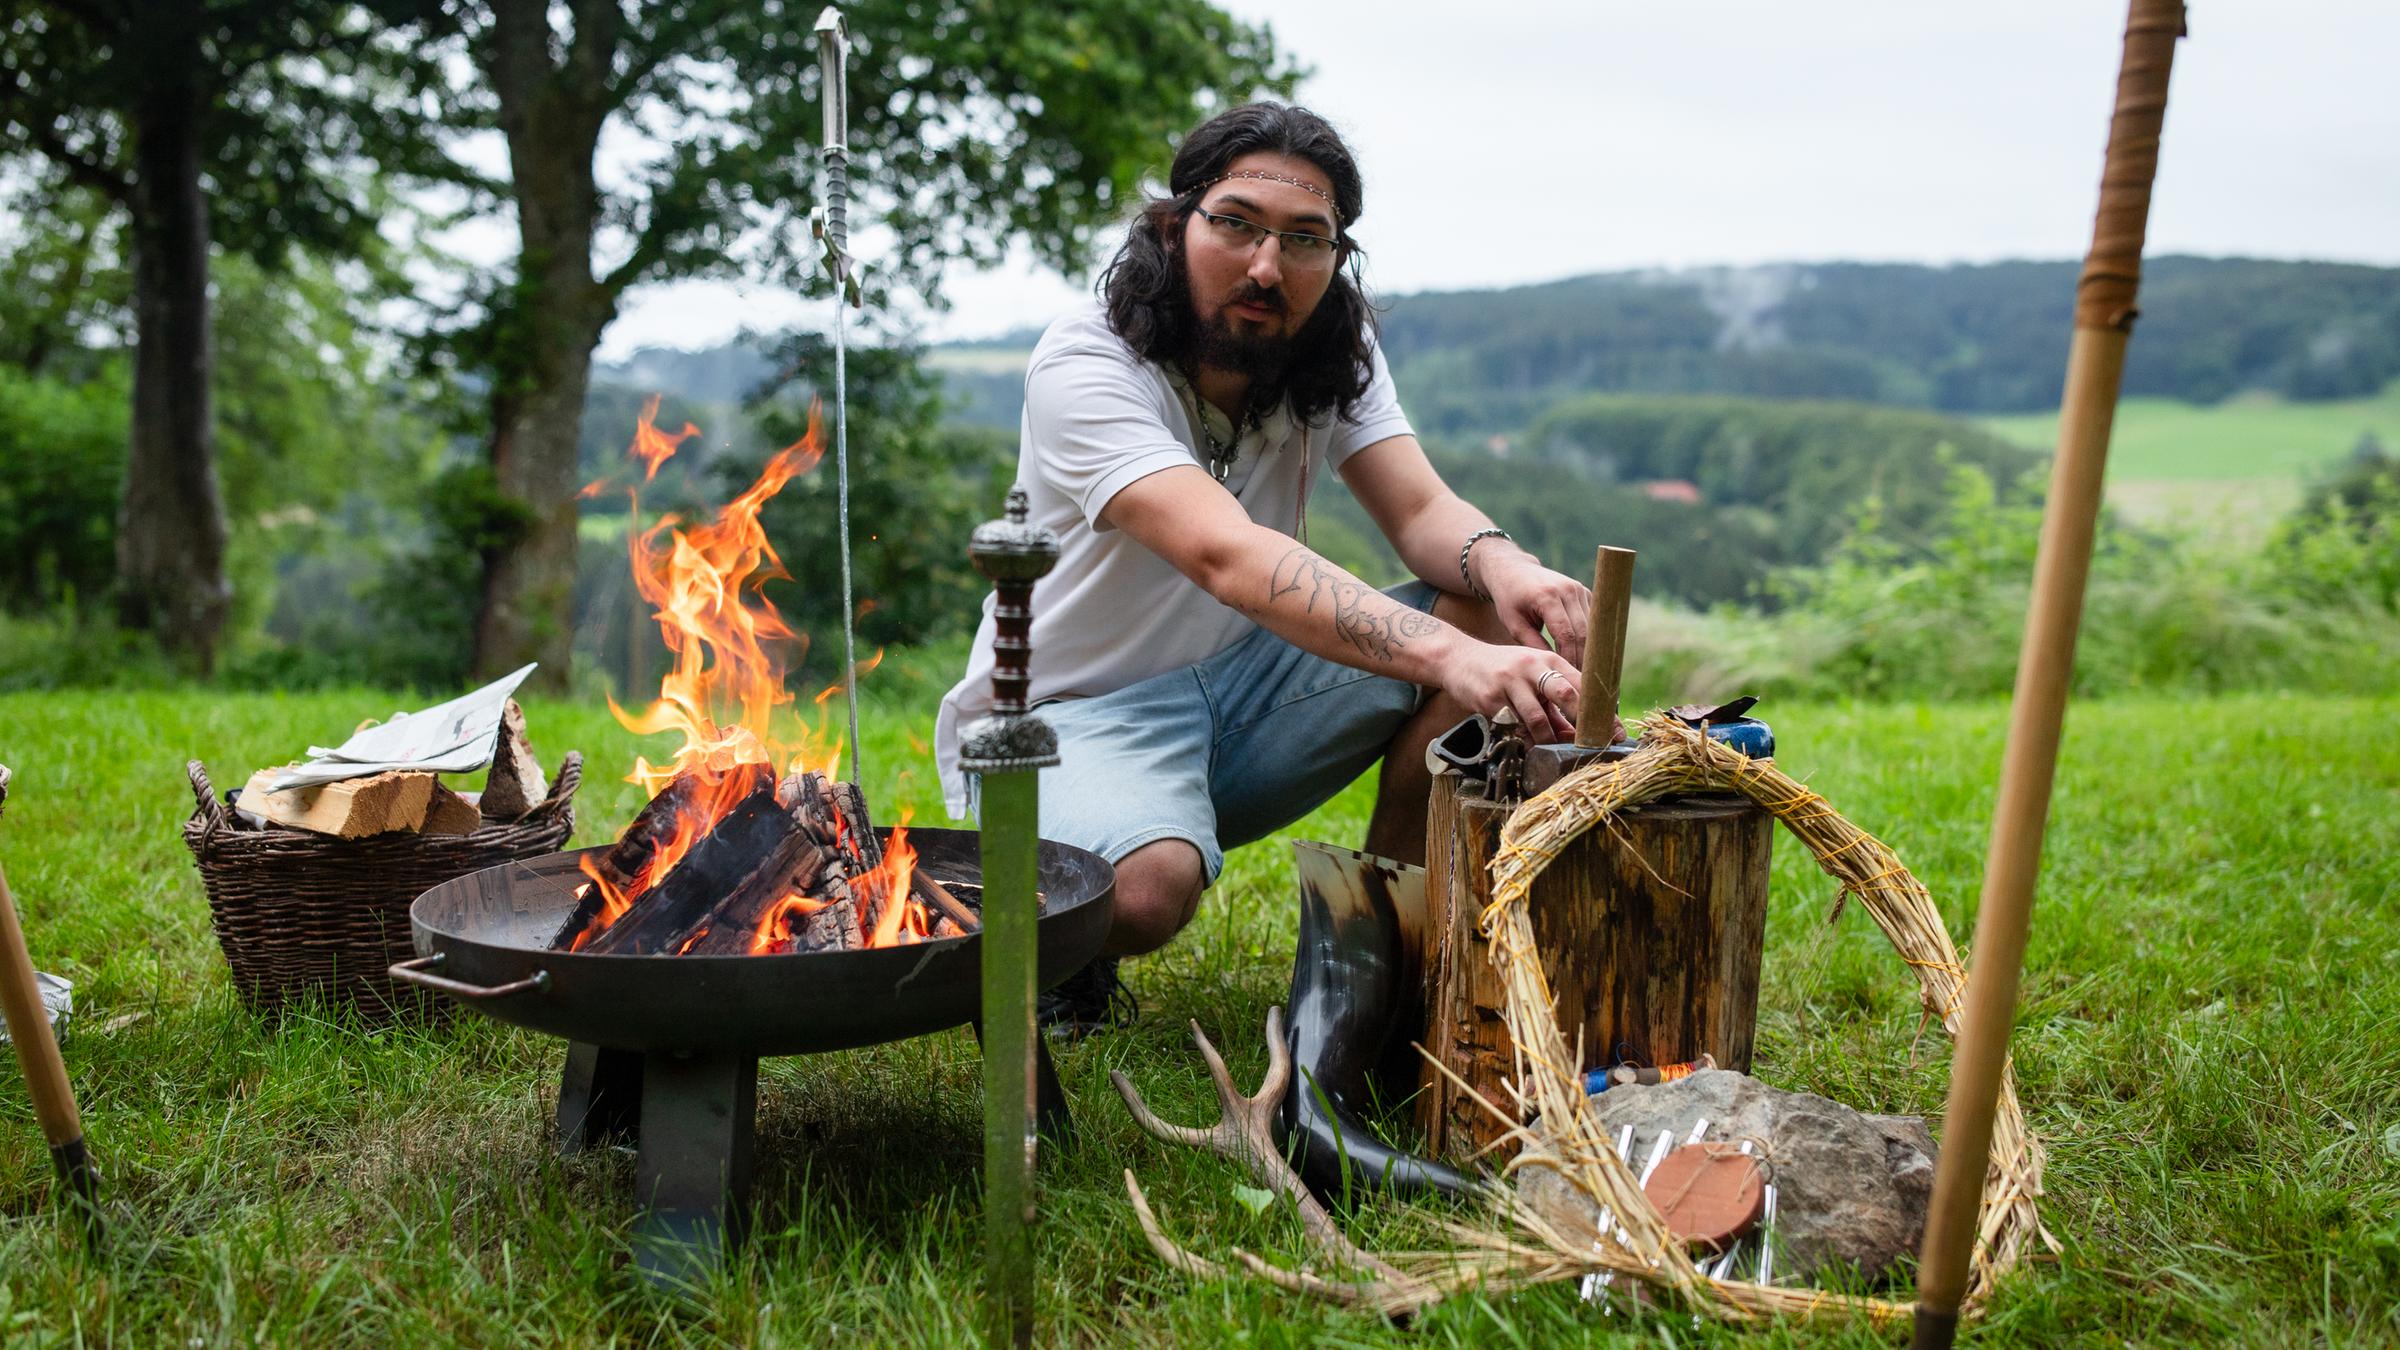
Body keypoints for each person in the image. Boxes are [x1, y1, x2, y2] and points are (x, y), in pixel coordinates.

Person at [936, 102, 1604, 1033]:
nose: (1265, 266)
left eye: (1303, 239)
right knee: (1143, 891)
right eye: (1237, 224)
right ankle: (1064, 934)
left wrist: (1506, 565)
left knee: (1485, 612)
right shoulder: (1088, 360)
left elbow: (1418, 511)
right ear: (1176, 225)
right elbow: (1227, 554)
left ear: (1337, 255)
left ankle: (1384, 954)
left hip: (1247, 693)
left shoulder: (1329, 351)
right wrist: (1452, 657)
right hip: (1069, 715)